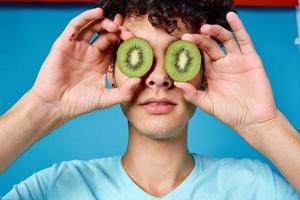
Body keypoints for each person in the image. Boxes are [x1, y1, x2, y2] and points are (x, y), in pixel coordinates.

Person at [0, 0, 299, 199]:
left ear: (204, 71)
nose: (158, 78)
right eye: (140, 55)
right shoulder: (52, 190)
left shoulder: (255, 188)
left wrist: (265, 123)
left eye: (177, 56)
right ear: (111, 70)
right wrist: (41, 107)